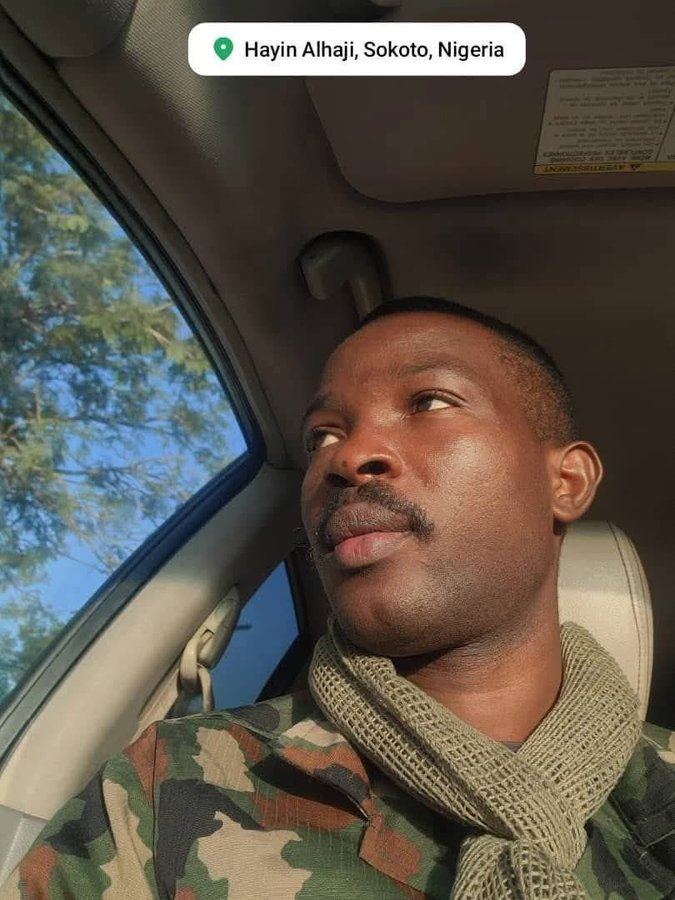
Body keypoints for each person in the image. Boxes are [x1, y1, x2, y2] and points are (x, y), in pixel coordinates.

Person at [2, 297, 674, 899]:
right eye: (322, 435)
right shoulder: (166, 786)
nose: (347, 457)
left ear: (567, 482)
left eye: (429, 402)